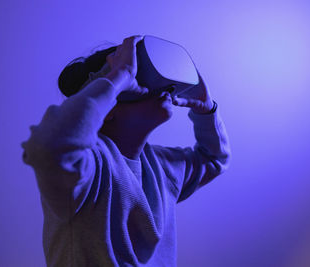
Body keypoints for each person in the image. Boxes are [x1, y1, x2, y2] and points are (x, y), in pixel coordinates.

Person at [21, 35, 231, 267]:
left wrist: (206, 109)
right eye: (135, 77)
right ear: (107, 105)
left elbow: (214, 159)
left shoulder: (161, 167)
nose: (159, 88)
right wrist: (116, 79)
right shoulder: (88, 169)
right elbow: (47, 146)